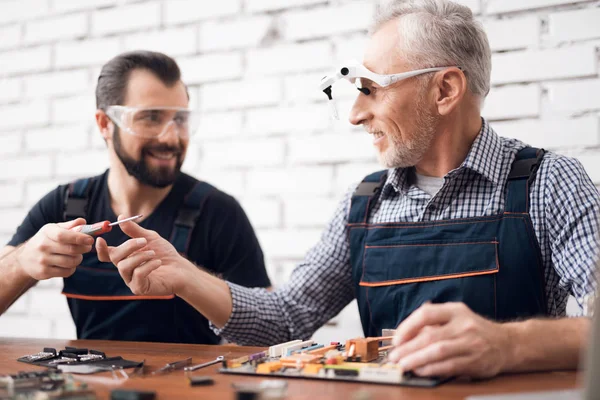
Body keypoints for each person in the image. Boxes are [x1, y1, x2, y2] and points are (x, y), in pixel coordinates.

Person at [94, 0, 599, 378]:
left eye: (372, 88)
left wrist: (507, 345)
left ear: (445, 89)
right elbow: (285, 319)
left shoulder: (549, 184)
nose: (356, 113)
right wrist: (182, 276)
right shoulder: (366, 204)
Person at [0, 51, 271, 344]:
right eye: (151, 118)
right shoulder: (65, 205)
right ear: (105, 124)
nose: (170, 137)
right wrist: (22, 263)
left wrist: (191, 280)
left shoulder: (218, 212)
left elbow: (270, 330)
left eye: (180, 119)